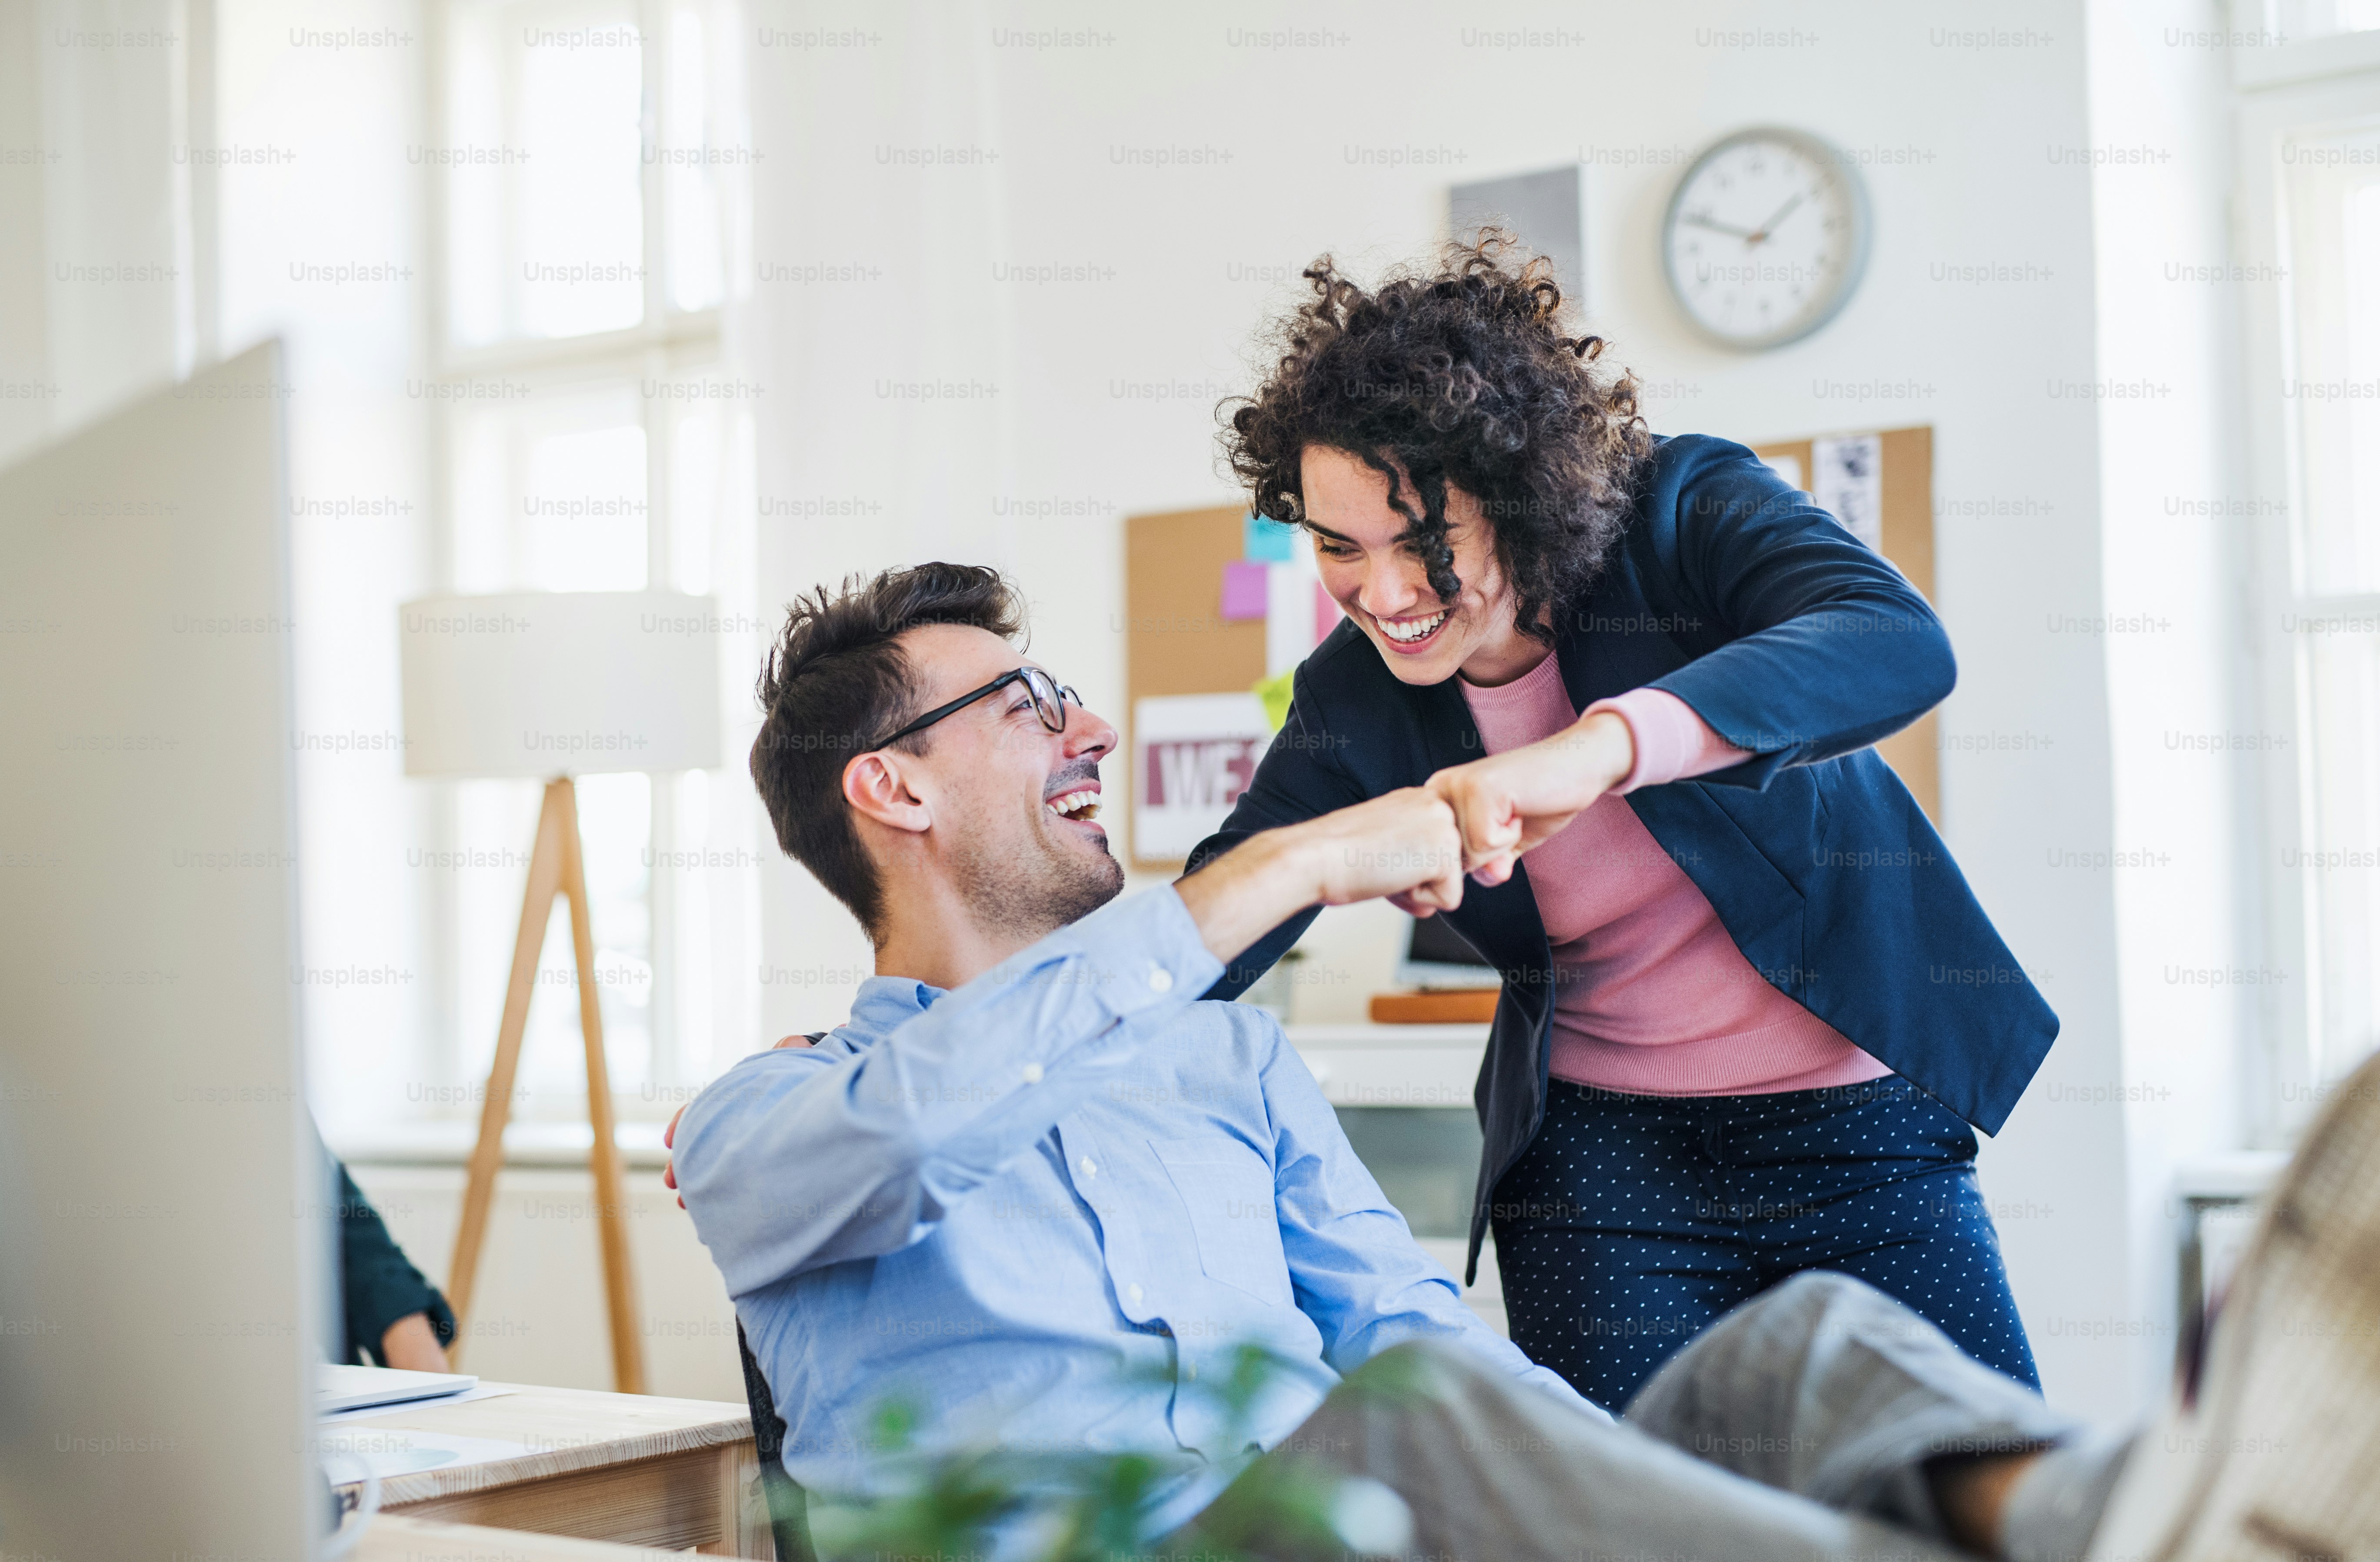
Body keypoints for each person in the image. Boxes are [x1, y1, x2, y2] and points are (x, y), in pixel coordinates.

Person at [669, 561, 2380, 1562]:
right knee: (1398, 1438)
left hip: (1364, 1514)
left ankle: (2144, 1511)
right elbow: (909, 1140)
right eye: (1032, 704)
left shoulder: (1222, 1071)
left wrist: (1644, 1482)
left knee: (1797, 1360)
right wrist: (1277, 867)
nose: (1091, 728)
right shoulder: (768, 1118)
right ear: (888, 789)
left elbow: (1407, 1336)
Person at [1188, 233, 2055, 1406]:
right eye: (1340, 548)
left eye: (1425, 543)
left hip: (1858, 1129)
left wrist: (1592, 754)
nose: (1383, 596)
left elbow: (1893, 641)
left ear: (1517, 495)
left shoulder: (1681, 514)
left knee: (1980, 1491)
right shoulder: (1349, 696)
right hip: (1604, 1170)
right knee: (1624, 1517)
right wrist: (963, 1032)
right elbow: (1222, 911)